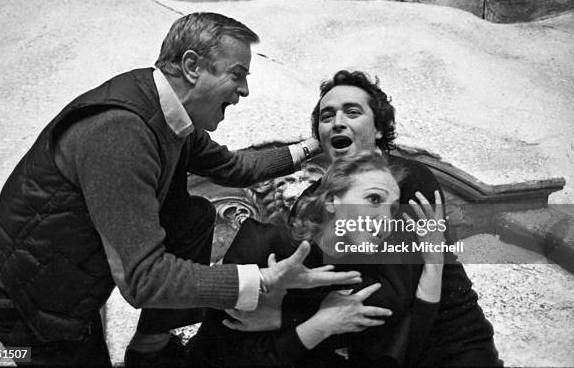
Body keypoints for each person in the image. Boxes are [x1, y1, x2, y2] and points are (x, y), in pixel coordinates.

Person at [0, 13, 363, 366]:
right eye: (237, 75)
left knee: (193, 216)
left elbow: (233, 166)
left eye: (352, 113)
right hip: (24, 296)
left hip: (69, 268)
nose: (244, 92)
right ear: (192, 66)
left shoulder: (169, 110)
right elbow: (143, 279)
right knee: (64, 352)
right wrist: (259, 282)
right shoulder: (120, 133)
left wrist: (313, 146)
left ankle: (148, 344)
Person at [210, 70, 501, 366]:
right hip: (368, 347)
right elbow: (307, 278)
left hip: (447, 342)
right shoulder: (314, 197)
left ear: (378, 129)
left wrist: (285, 315)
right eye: (327, 117)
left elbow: (392, 297)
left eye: (352, 112)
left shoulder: (409, 180)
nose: (338, 122)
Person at [189, 152, 447, 367]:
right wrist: (318, 326)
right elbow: (220, 357)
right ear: (333, 200)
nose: (386, 219)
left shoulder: (364, 275)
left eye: (393, 209)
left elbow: (401, 350)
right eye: (373, 199)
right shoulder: (261, 245)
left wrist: (435, 262)